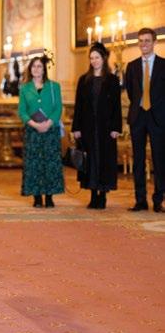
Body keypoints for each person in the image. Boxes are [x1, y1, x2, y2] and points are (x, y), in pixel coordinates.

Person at [71, 42, 122, 209]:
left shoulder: (112, 80)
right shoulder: (83, 80)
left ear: (104, 58)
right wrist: (76, 128)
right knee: (90, 161)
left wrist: (116, 128)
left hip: (106, 129)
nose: (94, 61)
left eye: (97, 57)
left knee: (104, 160)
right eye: (91, 58)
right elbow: (78, 106)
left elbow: (116, 106)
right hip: (87, 128)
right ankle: (93, 195)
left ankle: (103, 196)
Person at [124, 27, 165, 212]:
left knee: (160, 159)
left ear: (155, 42)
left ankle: (158, 200)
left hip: (159, 119)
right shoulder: (132, 66)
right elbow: (131, 92)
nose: (144, 44)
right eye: (141, 41)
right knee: (138, 160)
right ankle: (140, 200)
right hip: (138, 117)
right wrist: (139, 107)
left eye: (147, 40)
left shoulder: (163, 65)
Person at [18, 56, 64, 208]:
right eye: (33, 66)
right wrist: (35, 125)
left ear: (44, 69)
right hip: (32, 131)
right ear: (30, 69)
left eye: (39, 66)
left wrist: (48, 123)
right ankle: (37, 197)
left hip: (51, 130)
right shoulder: (25, 88)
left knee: (50, 163)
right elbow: (22, 111)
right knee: (34, 164)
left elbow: (58, 108)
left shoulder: (54, 86)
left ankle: (49, 197)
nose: (36, 69)